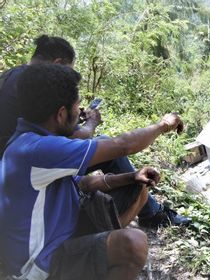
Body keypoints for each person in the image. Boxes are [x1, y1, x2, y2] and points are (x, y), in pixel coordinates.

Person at [0, 64, 185, 279]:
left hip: (59, 232)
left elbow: (81, 183)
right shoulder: (37, 149)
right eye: (77, 107)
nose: (80, 112)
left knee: (138, 189)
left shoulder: (33, 141)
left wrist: (130, 177)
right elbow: (123, 145)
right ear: (61, 114)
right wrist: (164, 124)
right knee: (133, 244)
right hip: (38, 266)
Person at [0, 34, 190, 227]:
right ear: (57, 64)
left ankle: (144, 208)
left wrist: (70, 116)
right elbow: (119, 145)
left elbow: (52, 129)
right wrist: (163, 125)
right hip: (35, 167)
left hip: (18, 166)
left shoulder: (15, 77)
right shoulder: (33, 91)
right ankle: (151, 214)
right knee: (109, 147)